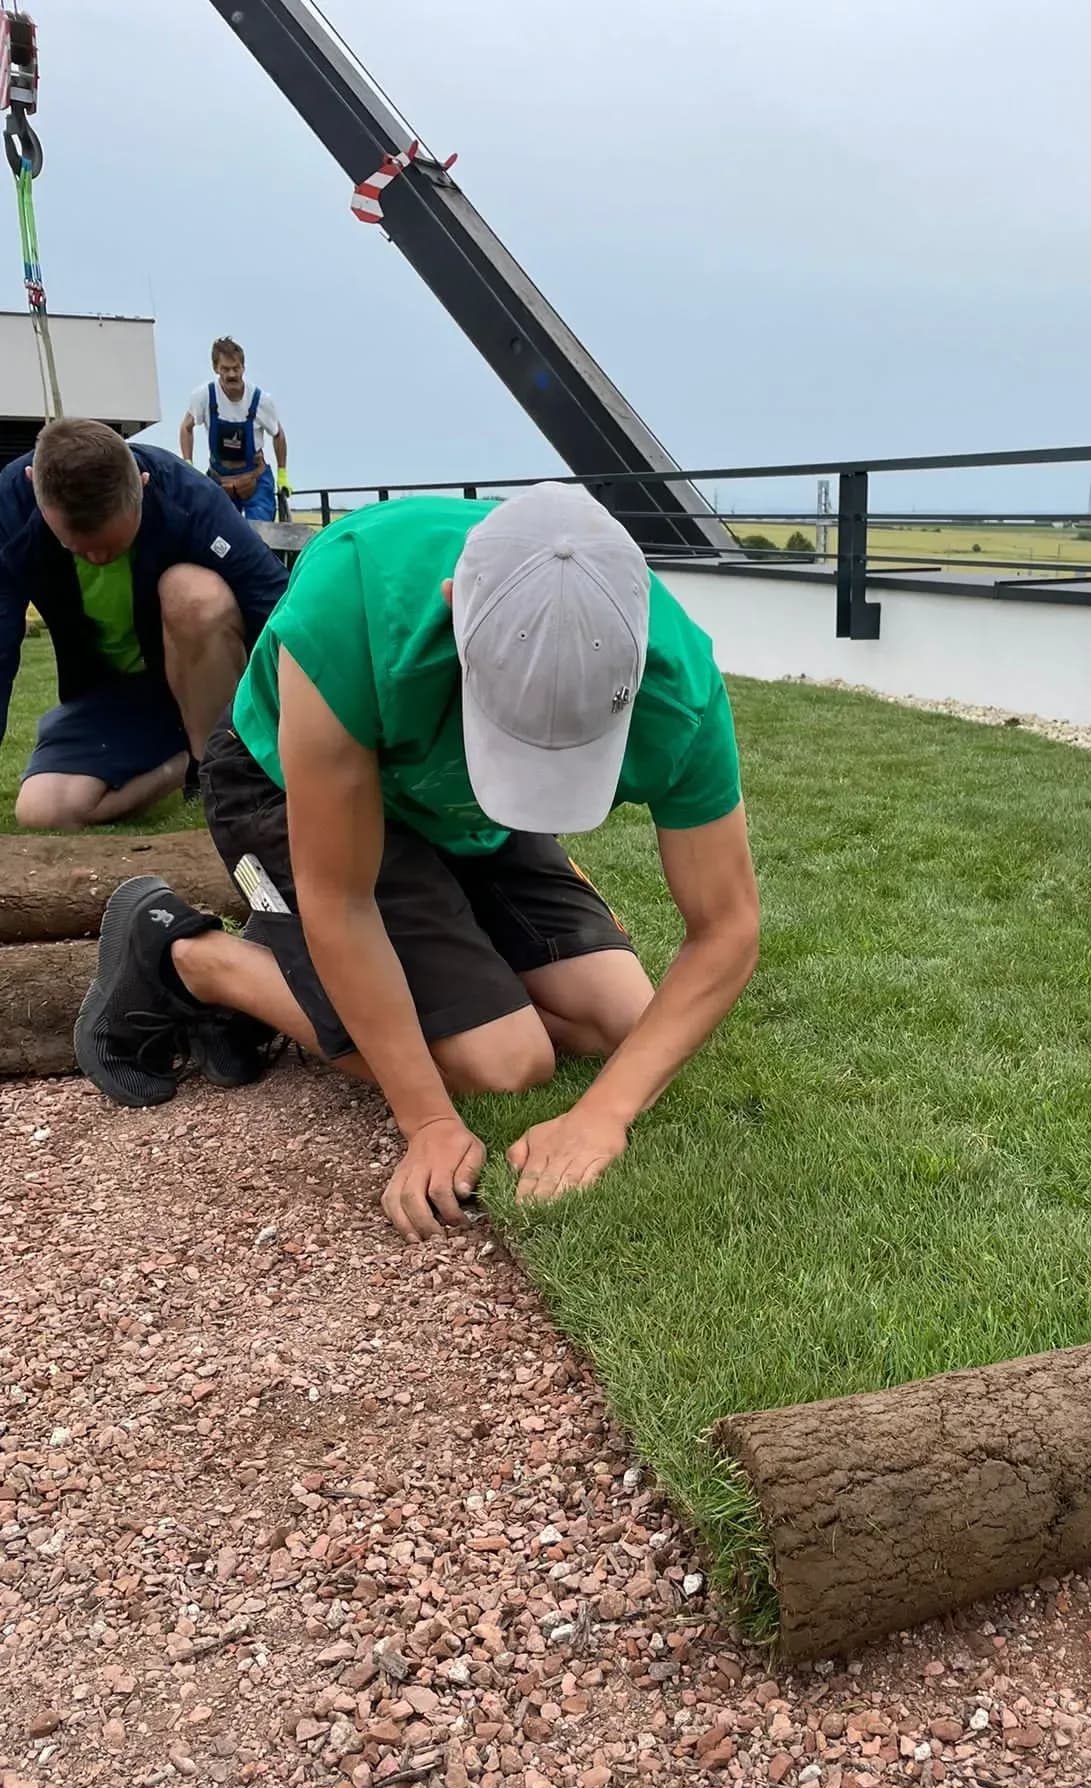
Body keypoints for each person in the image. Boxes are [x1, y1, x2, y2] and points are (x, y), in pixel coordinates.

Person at [74, 482, 761, 1233]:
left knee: (624, 1021)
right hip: (279, 778)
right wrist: (428, 1120)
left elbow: (725, 929)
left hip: (462, 808)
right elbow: (342, 899)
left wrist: (606, 1114)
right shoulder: (356, 600)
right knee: (504, 1064)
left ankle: (396, 974)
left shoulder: (677, 679)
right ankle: (190, 956)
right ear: (453, 611)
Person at [0, 417, 288, 829]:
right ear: (35, 492)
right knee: (43, 811)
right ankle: (182, 766)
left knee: (194, 594)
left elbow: (278, 612)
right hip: (110, 699)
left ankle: (219, 772)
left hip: (199, 682)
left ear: (143, 481)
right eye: (79, 548)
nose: (99, 559)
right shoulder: (10, 509)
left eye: (113, 544)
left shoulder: (189, 496)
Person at [179, 337, 289, 523]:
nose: (231, 374)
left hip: (254, 479)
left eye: (236, 368)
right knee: (215, 536)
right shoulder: (204, 396)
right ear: (216, 368)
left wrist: (282, 474)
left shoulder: (261, 400)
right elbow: (186, 428)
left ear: (243, 367)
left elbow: (278, 434)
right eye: (225, 369)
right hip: (219, 479)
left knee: (261, 536)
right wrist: (188, 464)